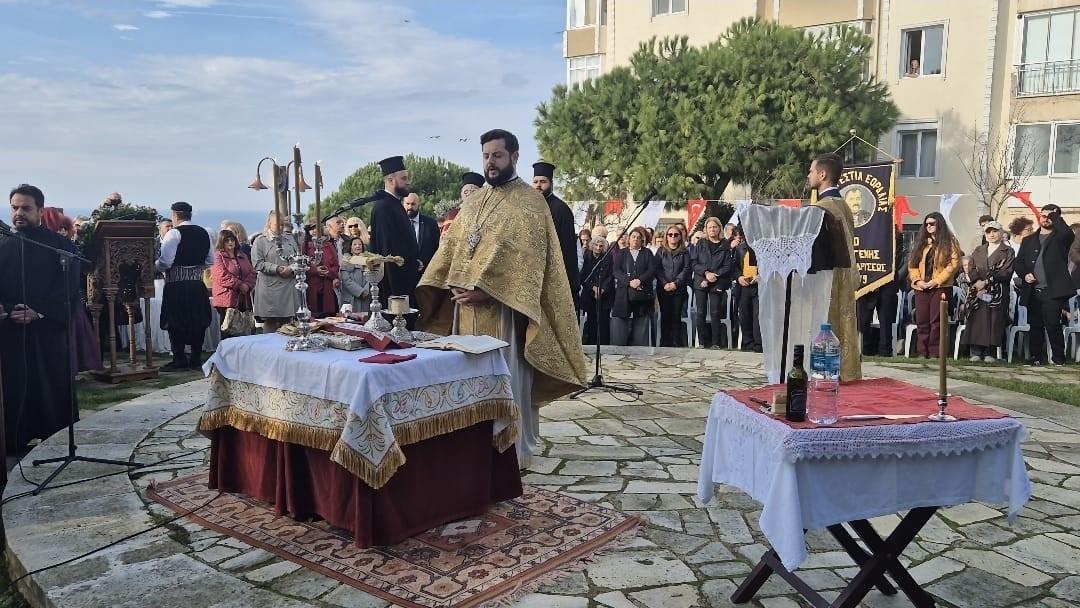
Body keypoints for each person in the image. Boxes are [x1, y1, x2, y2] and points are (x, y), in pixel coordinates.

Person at [416, 128, 588, 468]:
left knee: (504, 380)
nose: (490, 162)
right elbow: (454, 248)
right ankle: (470, 449)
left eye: (497, 155)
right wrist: (450, 283)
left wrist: (487, 290)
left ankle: (509, 455)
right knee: (466, 381)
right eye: (485, 156)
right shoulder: (475, 200)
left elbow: (531, 262)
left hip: (505, 313)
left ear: (514, 157)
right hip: (463, 312)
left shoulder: (531, 202)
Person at [2, 185, 81, 454]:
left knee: (50, 387)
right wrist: (9, 308)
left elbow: (69, 288)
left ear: (39, 210)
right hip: (11, 331)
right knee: (14, 387)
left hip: (48, 331)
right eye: (15, 208)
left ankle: (55, 442)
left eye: (25, 208)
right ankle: (14, 441)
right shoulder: (3, 244)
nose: (19, 213)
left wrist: (39, 311)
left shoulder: (62, 247)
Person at [808, 153, 862, 381]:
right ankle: (846, 370)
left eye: (811, 171)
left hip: (830, 274)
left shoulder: (824, 207)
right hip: (846, 271)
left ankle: (828, 371)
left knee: (827, 322)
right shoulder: (842, 204)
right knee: (844, 320)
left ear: (822, 175)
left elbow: (818, 247)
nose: (808, 175)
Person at [1014, 204, 1076, 366]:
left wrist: (1055, 216)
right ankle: (1036, 357)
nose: (1046, 218)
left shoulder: (1061, 238)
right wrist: (1025, 274)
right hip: (1033, 289)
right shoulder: (1028, 240)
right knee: (1035, 325)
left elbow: (1068, 233)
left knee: (1053, 324)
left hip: (1052, 289)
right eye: (1043, 215)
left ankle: (1058, 358)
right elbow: (1019, 263)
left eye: (1050, 216)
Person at [155, 201, 213, 371]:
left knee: (175, 321)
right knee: (197, 320)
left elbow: (166, 262)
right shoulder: (204, 233)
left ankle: (179, 358)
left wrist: (154, 266)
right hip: (197, 283)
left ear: (175, 216)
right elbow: (210, 260)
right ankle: (195, 358)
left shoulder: (173, 234)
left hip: (177, 284)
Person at [907, 212, 961, 359]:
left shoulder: (950, 242)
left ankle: (935, 352)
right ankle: (922, 352)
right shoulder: (921, 243)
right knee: (922, 320)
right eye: (926, 224)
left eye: (932, 224)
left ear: (939, 224)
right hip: (921, 286)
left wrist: (937, 281)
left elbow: (953, 264)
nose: (928, 226)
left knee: (936, 321)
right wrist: (918, 281)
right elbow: (912, 265)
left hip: (940, 286)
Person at [368, 155, 420, 307]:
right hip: (394, 290)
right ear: (390, 180)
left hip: (405, 281)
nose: (408, 182)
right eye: (404, 178)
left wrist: (413, 260)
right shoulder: (383, 207)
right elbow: (387, 253)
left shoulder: (395, 205)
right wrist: (396, 297)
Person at [960, 221, 1014, 362]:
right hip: (978, 291)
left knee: (993, 319)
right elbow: (971, 268)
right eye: (988, 232)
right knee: (977, 319)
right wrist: (977, 283)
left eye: (995, 231)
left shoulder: (1008, 251)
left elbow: (1005, 272)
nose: (992, 234)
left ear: (1001, 233)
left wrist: (987, 282)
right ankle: (975, 352)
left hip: (997, 291)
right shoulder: (979, 250)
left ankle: (990, 352)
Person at [533, 161, 580, 306]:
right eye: (535, 182)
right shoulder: (528, 207)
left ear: (551, 183)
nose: (538, 186)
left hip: (553, 278)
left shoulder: (561, 209)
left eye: (543, 182)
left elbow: (567, 250)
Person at [856, 230, 904, 356]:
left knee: (886, 318)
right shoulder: (863, 232)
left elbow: (896, 259)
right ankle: (865, 349)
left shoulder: (895, 234)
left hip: (887, 283)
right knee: (863, 319)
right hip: (866, 283)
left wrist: (879, 277)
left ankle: (885, 350)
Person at [251, 211, 301, 334]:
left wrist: (292, 268)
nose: (280, 228)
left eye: (282, 225)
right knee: (271, 322)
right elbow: (257, 263)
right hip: (270, 288)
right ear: (269, 223)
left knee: (288, 323)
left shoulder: (289, 239)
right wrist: (277, 269)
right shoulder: (260, 241)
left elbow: (299, 258)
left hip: (288, 286)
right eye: (276, 224)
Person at [692, 217, 733, 349]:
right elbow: (694, 262)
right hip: (701, 280)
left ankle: (716, 343)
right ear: (706, 229)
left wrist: (715, 275)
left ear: (719, 228)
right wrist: (706, 274)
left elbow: (728, 265)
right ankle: (702, 342)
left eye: (715, 227)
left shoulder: (725, 244)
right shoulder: (701, 243)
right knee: (700, 312)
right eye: (709, 227)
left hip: (717, 281)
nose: (712, 229)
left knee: (715, 312)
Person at [612, 226, 656, 346]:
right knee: (620, 319)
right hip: (624, 292)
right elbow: (616, 271)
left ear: (642, 240)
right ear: (629, 238)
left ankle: (639, 348)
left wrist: (640, 281)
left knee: (641, 318)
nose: (636, 239)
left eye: (638, 237)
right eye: (633, 237)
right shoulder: (622, 253)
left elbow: (651, 270)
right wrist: (629, 282)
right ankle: (618, 347)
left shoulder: (647, 253)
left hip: (642, 292)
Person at [211, 229, 257, 339]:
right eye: (227, 241)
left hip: (243, 297)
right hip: (226, 299)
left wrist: (247, 285)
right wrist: (240, 285)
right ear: (222, 242)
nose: (230, 242)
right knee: (228, 329)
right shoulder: (218, 256)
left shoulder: (242, 255)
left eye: (232, 240)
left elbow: (251, 272)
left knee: (243, 329)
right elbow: (221, 275)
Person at [655, 223, 691, 347]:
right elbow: (657, 269)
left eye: (676, 235)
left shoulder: (685, 252)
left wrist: (676, 283)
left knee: (676, 316)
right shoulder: (661, 251)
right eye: (670, 235)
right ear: (667, 237)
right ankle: (665, 342)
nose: (673, 237)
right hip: (663, 289)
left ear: (680, 237)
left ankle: (676, 342)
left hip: (678, 289)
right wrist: (665, 283)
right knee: (665, 315)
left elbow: (686, 269)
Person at [733, 226, 763, 352]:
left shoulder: (762, 247)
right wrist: (739, 277)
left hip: (758, 287)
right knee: (744, 315)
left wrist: (760, 276)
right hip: (744, 286)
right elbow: (735, 267)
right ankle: (748, 343)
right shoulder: (740, 248)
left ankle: (758, 344)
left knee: (757, 316)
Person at [579, 237, 613, 345]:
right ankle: (591, 343)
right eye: (596, 245)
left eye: (601, 246)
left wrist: (602, 289)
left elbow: (610, 276)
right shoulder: (586, 257)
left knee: (603, 323)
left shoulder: (607, 258)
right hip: (590, 295)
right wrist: (593, 287)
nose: (598, 248)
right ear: (592, 245)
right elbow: (583, 276)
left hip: (604, 295)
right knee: (592, 322)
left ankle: (603, 345)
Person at [304, 228, 339, 318]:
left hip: (327, 289)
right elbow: (301, 267)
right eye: (311, 228)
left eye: (316, 227)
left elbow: (336, 267)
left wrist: (328, 272)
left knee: (328, 318)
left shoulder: (329, 246)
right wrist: (315, 270)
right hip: (311, 289)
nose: (314, 230)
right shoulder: (305, 246)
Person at [403, 192, 440, 273]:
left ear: (419, 205)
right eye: (407, 204)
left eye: (413, 204)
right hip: (403, 273)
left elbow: (437, 248)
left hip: (425, 273)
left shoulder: (431, 224)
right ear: (403, 204)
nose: (410, 207)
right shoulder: (397, 224)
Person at [339, 236, 371, 313]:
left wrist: (366, 290)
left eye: (360, 244)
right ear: (350, 247)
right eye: (355, 244)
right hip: (351, 298)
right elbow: (346, 280)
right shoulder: (346, 261)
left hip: (366, 297)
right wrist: (360, 291)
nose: (358, 246)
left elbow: (372, 276)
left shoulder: (369, 261)